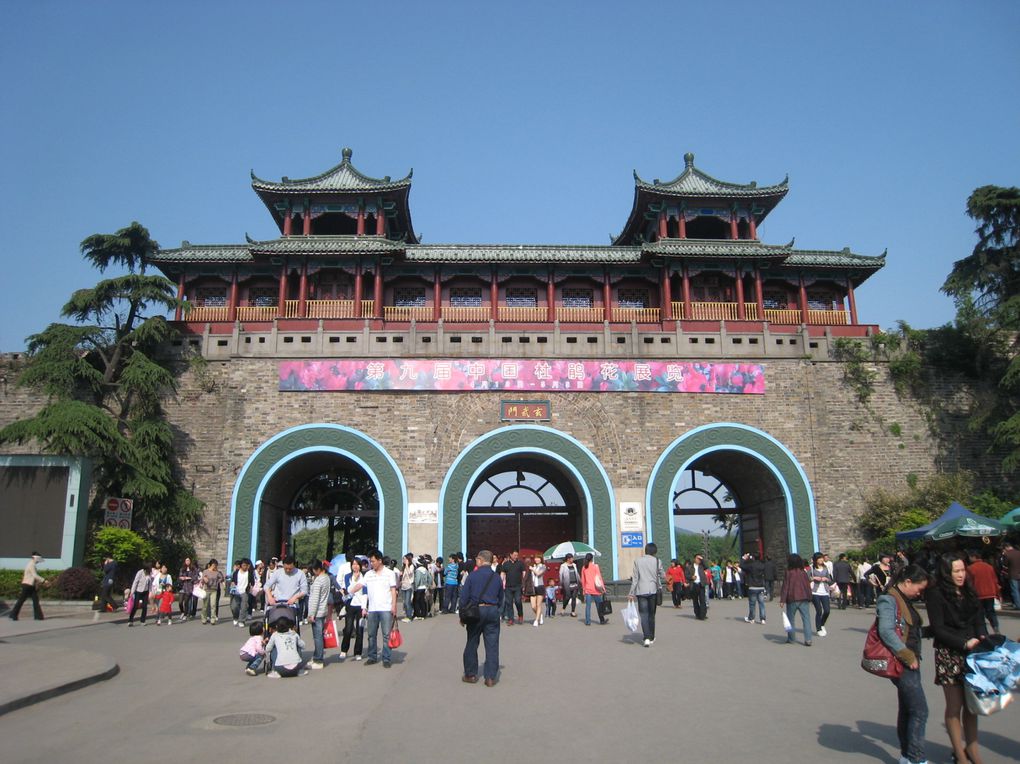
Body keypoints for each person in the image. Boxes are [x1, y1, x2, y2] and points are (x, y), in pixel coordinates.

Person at [926, 553, 988, 764]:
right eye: (956, 571)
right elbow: (938, 628)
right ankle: (959, 754)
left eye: (963, 570)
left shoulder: (969, 591)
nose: (961, 575)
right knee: (954, 706)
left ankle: (972, 749)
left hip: (973, 654)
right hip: (949, 653)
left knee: (972, 706)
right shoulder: (936, 594)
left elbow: (979, 618)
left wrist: (981, 637)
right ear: (946, 572)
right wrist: (963, 643)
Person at [878, 564, 930, 764]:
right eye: (919, 587)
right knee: (920, 710)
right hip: (902, 662)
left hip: (909, 660)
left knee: (908, 708)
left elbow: (910, 629)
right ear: (907, 582)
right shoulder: (889, 599)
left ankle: (907, 755)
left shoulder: (904, 599)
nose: (919, 592)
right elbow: (887, 631)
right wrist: (907, 656)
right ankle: (916, 758)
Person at [459, 549, 503, 687]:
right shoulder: (496, 577)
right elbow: (501, 597)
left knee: (472, 641)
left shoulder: (473, 576)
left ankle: (471, 674)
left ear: (481, 560)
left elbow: (464, 597)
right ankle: (490, 677)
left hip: (476, 611)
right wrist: (498, 612)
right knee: (492, 644)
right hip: (492, 610)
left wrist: (462, 615)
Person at [354, 549, 398, 668]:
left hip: (385, 608)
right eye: (370, 561)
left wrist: (394, 606)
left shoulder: (389, 573)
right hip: (372, 609)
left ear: (379, 560)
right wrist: (350, 590)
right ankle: (372, 656)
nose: (371, 563)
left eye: (373, 561)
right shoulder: (368, 574)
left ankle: (386, 658)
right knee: (371, 634)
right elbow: (361, 585)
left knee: (386, 635)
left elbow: (393, 591)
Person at [628, 542, 664, 646]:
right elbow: (662, 574)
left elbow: (635, 578)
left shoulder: (637, 561)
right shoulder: (657, 561)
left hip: (641, 591)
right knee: (652, 615)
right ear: (654, 551)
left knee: (643, 615)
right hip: (653, 591)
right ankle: (652, 637)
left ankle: (646, 638)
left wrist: (631, 593)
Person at [264, 555, 308, 628]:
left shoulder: (300, 574)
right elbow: (266, 586)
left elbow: (304, 590)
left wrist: (295, 597)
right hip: (278, 604)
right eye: (286, 568)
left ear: (294, 565)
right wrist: (270, 597)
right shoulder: (278, 573)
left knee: (291, 625)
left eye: (290, 569)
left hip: (292, 604)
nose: (288, 570)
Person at [780, 554, 812, 646]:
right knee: (806, 619)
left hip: (792, 598)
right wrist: (810, 597)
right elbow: (807, 586)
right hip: (804, 598)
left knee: (790, 620)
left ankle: (791, 638)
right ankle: (808, 639)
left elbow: (785, 587)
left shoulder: (789, 572)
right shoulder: (803, 572)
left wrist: (782, 600)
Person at [966, 550, 1000, 634]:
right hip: (990, 593)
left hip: (978, 594)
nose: (969, 558)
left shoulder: (971, 568)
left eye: (970, 557)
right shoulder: (989, 567)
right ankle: (995, 627)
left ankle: (983, 632)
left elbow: (969, 583)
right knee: (991, 612)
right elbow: (995, 580)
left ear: (974, 557)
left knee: (979, 613)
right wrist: (997, 593)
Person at [340, 557, 367, 660]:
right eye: (353, 564)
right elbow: (348, 590)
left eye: (357, 564)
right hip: (350, 605)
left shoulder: (364, 576)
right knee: (348, 628)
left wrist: (364, 608)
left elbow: (365, 592)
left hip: (360, 606)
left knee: (360, 629)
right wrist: (354, 582)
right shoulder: (347, 577)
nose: (355, 566)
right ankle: (344, 650)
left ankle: (358, 652)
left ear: (360, 566)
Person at [306, 559, 330, 669]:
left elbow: (315, 599)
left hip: (317, 612)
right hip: (323, 610)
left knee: (317, 637)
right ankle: (316, 656)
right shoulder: (326, 578)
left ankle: (319, 660)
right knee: (319, 636)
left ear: (316, 569)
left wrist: (311, 614)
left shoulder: (318, 581)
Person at [9, 552, 47, 621]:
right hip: (27, 585)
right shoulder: (31, 565)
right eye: (38, 560)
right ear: (35, 558)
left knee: (35, 600)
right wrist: (43, 580)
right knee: (21, 600)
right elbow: (34, 575)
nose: (38, 562)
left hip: (30, 585)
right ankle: (13, 614)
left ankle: (38, 616)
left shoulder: (31, 564)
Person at [809, 553, 834, 637]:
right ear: (816, 560)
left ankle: (822, 624)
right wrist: (814, 578)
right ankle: (818, 629)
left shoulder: (825, 567)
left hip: (825, 591)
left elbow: (830, 579)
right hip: (815, 592)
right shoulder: (811, 568)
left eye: (822, 558)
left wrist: (826, 579)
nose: (821, 560)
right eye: (819, 559)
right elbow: (807, 578)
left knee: (827, 611)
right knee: (819, 610)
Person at [580, 552, 607, 626]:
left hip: (588, 589)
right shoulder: (595, 566)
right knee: (599, 605)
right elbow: (599, 578)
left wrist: (583, 589)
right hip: (596, 589)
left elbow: (583, 580)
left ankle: (588, 621)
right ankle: (602, 620)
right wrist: (603, 588)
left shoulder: (584, 567)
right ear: (592, 558)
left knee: (588, 606)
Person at [499, 550, 525, 625]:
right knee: (509, 603)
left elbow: (524, 573)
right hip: (508, 587)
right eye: (514, 555)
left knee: (518, 601)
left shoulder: (520, 563)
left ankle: (520, 615)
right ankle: (511, 619)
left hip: (518, 586)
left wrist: (523, 583)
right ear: (510, 555)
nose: (516, 557)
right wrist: (501, 582)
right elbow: (502, 573)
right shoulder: (506, 564)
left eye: (517, 555)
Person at [741, 552, 767, 624]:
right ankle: (763, 619)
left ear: (753, 557)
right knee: (761, 603)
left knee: (752, 604)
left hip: (752, 586)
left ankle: (751, 618)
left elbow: (742, 566)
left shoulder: (751, 565)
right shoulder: (762, 565)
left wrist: (744, 558)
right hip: (761, 586)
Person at [230, 558, 254, 627]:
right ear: (241, 565)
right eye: (243, 565)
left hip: (245, 592)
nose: (245, 567)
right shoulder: (236, 572)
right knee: (234, 606)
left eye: (246, 565)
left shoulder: (249, 573)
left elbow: (252, 582)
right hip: (237, 591)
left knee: (243, 607)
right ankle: (235, 617)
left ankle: (242, 621)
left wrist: (251, 587)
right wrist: (233, 585)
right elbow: (233, 581)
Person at [199, 559, 225, 625]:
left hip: (214, 590)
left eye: (216, 565)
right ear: (210, 565)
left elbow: (222, 578)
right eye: (213, 565)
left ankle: (212, 619)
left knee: (213, 605)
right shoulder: (205, 571)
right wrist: (204, 580)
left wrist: (217, 581)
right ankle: (204, 618)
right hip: (207, 589)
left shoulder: (217, 572)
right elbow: (202, 580)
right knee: (205, 605)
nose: (214, 566)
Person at [127, 562, 153, 627]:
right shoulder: (140, 572)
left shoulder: (149, 573)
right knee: (135, 606)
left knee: (144, 606)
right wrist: (132, 591)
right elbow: (135, 582)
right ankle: (130, 620)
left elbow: (150, 583)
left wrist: (150, 592)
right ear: (145, 568)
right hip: (138, 591)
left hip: (145, 591)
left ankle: (143, 620)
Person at [685, 554, 709, 620]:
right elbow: (686, 575)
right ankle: (697, 614)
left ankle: (703, 615)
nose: (698, 560)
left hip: (701, 584)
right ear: (694, 559)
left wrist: (702, 559)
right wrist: (691, 577)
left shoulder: (701, 566)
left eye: (700, 559)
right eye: (697, 558)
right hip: (694, 584)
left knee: (702, 600)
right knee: (695, 600)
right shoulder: (689, 567)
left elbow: (707, 566)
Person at [528, 555, 546, 626]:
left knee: (538, 604)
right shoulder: (533, 566)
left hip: (540, 587)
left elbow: (538, 574)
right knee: (533, 606)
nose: (537, 559)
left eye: (538, 558)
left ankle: (536, 620)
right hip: (532, 587)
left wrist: (532, 569)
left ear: (541, 559)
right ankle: (539, 615)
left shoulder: (543, 566)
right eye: (536, 558)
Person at [1002, 541, 1020, 610]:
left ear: (1006, 547)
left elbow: (1005, 565)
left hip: (1013, 575)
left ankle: (1018, 605)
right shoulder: (1019, 552)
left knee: (1015, 590)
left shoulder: (1007, 554)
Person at [399, 553, 415, 622]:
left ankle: (409, 616)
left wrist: (407, 565)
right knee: (404, 602)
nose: (403, 560)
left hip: (409, 586)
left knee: (408, 602)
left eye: (405, 559)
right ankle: (407, 615)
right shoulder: (403, 567)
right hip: (403, 586)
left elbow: (410, 573)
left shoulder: (411, 566)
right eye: (403, 559)